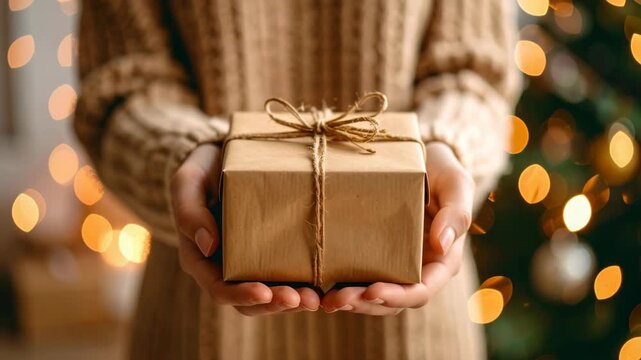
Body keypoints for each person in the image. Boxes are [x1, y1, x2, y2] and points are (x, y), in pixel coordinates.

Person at [74, 0, 521, 359]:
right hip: (199, 319)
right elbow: (121, 85)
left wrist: (445, 146)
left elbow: (474, 74)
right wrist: (182, 154)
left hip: (413, 302)